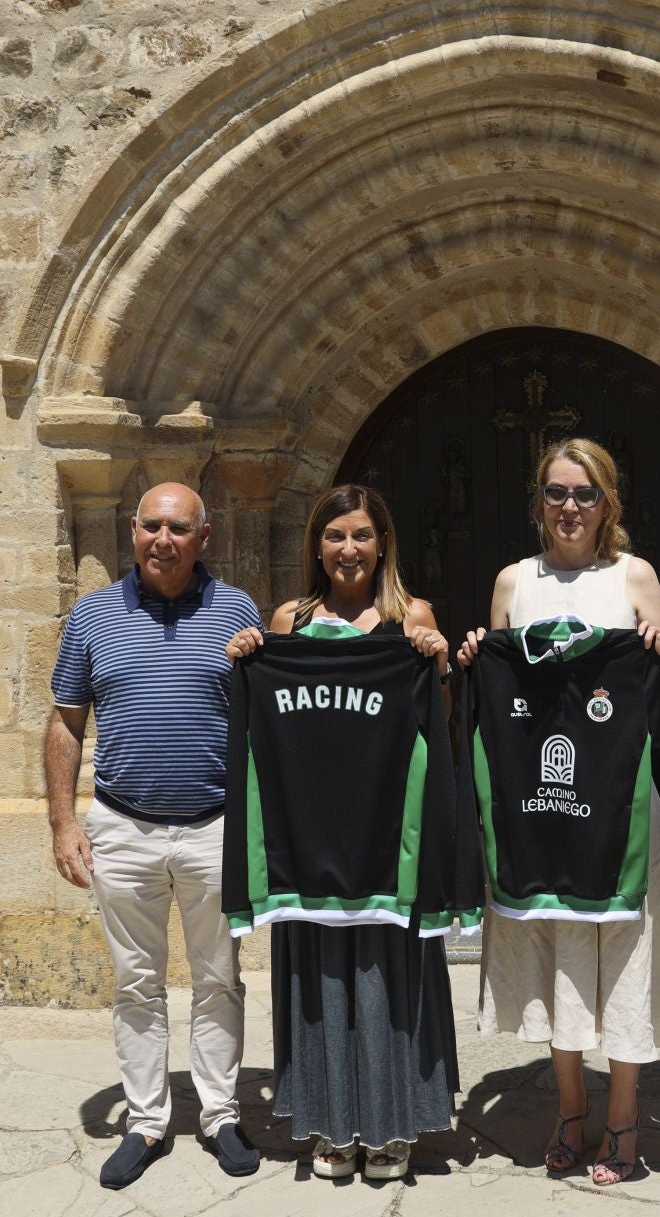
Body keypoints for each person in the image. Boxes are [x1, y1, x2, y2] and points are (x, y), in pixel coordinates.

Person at [456, 438, 660, 1186]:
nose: (570, 507)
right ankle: (570, 1106)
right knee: (554, 953)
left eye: (585, 494)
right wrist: (472, 658)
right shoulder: (510, 584)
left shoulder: (634, 577)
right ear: (539, 503)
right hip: (539, 815)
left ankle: (622, 1115)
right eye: (557, 493)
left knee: (623, 960)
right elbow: (492, 692)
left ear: (607, 504)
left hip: (621, 811)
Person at [224, 484, 456, 1181]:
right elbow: (264, 720)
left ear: (383, 541)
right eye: (334, 537)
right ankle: (329, 1122)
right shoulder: (289, 621)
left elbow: (436, 721)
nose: (348, 550)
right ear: (315, 547)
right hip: (313, 833)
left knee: (389, 978)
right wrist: (246, 655)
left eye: (360, 535)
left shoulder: (410, 615)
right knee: (320, 977)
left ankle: (392, 1127)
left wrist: (437, 660)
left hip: (387, 834)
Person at [45, 481, 264, 1190]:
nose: (162, 540)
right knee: (137, 983)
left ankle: (221, 1115)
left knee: (217, 977)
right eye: (150, 527)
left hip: (214, 827)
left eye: (178, 528)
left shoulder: (236, 611)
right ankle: (146, 1121)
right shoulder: (92, 617)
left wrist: (254, 655)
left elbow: (264, 720)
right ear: (133, 532)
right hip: (123, 826)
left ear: (206, 537)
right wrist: (62, 822)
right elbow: (66, 722)